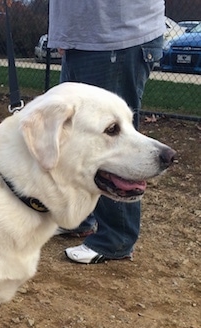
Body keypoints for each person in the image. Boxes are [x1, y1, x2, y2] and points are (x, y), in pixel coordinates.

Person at [48, 0, 166, 264]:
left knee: (111, 139)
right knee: (79, 138)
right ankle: (78, 218)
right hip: (86, 37)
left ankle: (116, 238)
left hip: (115, 35)